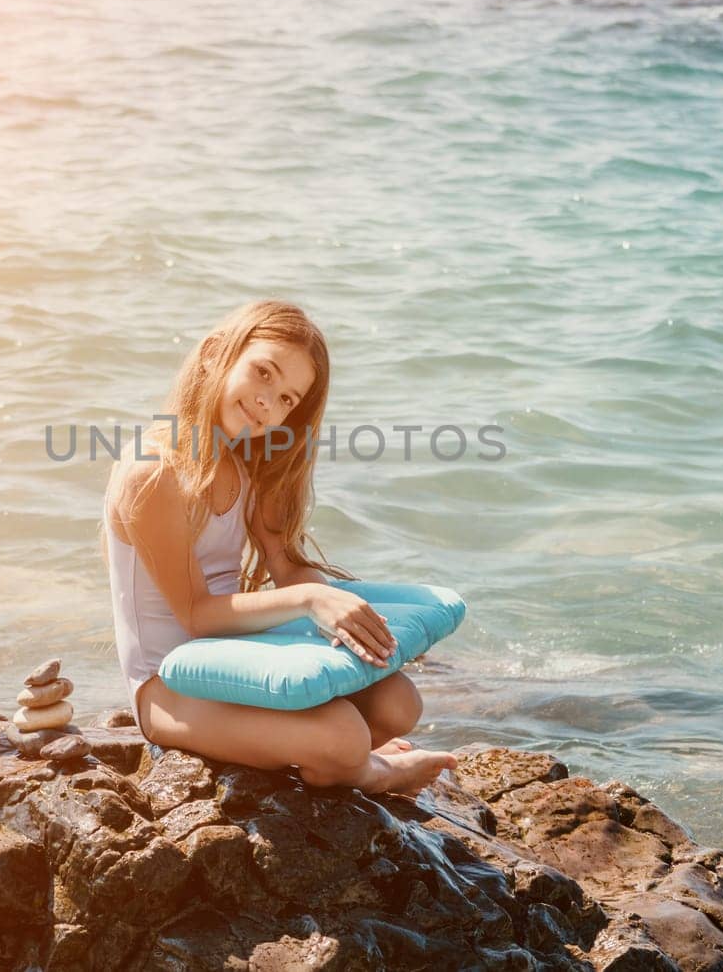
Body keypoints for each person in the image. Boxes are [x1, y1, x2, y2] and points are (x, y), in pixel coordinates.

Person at [100, 299, 458, 795]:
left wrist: (345, 621)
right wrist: (309, 601)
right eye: (262, 373)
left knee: (399, 703)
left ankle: (310, 751)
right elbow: (196, 615)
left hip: (237, 657)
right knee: (343, 735)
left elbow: (287, 570)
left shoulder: (247, 463)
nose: (269, 402)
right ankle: (369, 772)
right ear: (213, 355)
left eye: (288, 398)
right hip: (169, 688)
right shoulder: (153, 473)